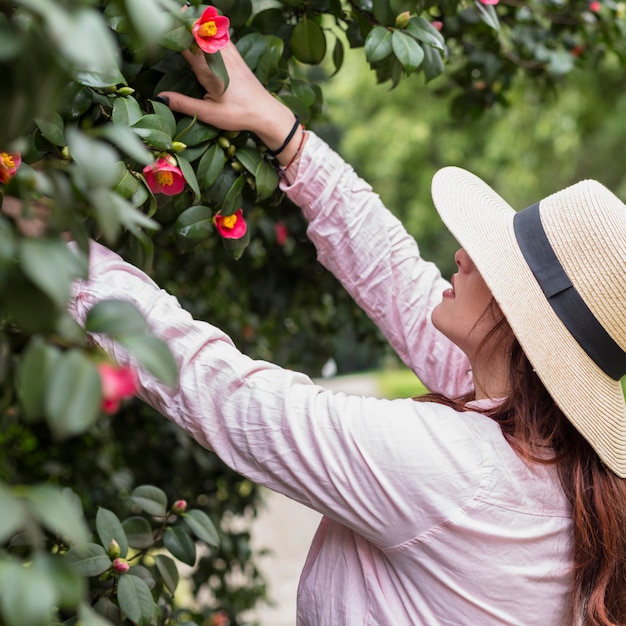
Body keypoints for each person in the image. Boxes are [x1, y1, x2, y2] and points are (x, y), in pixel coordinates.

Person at [69, 42, 626, 626]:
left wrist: (57, 246)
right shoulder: (544, 444)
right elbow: (393, 274)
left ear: (520, 325)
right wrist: (280, 130)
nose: (462, 255)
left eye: (494, 262)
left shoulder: (454, 469)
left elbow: (230, 397)